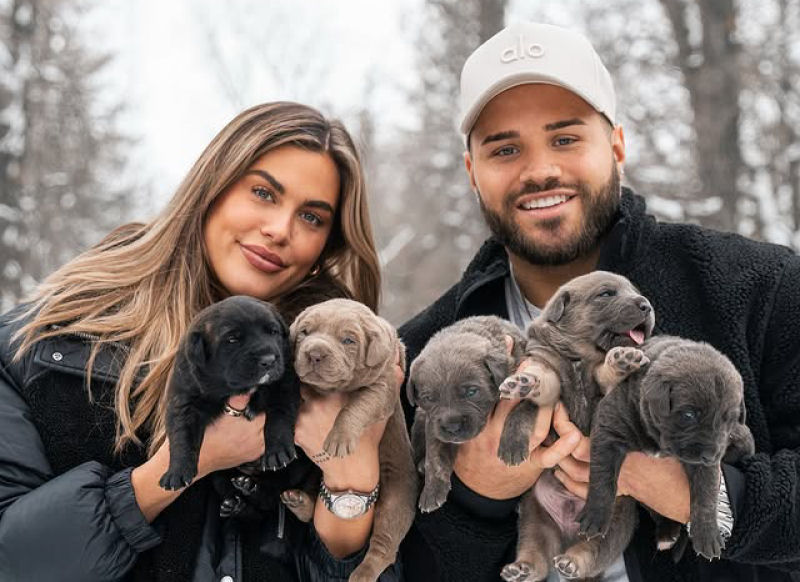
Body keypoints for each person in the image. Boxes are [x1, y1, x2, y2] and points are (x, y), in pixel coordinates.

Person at [399, 21, 800, 582]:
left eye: (565, 138)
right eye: (505, 149)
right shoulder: (425, 351)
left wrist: (699, 495)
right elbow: (405, 560)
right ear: (472, 172)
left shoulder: (759, 285)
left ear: (615, 144)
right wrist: (480, 498)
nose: (539, 170)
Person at [0, 102, 401, 582]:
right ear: (211, 187)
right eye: (263, 193)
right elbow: (14, 559)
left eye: (312, 218)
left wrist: (350, 484)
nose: (280, 230)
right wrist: (184, 464)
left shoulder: (336, 374)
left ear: (327, 248)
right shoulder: (46, 344)